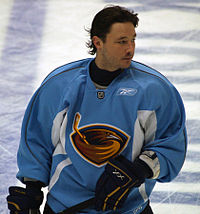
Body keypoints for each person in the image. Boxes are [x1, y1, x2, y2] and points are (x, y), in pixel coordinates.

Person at [7, 5, 187, 214]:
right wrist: (32, 190)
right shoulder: (60, 86)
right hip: (65, 207)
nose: (130, 49)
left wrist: (139, 169)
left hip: (129, 209)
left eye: (133, 40)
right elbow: (36, 141)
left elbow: (171, 146)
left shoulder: (155, 90)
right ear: (98, 42)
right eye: (121, 42)